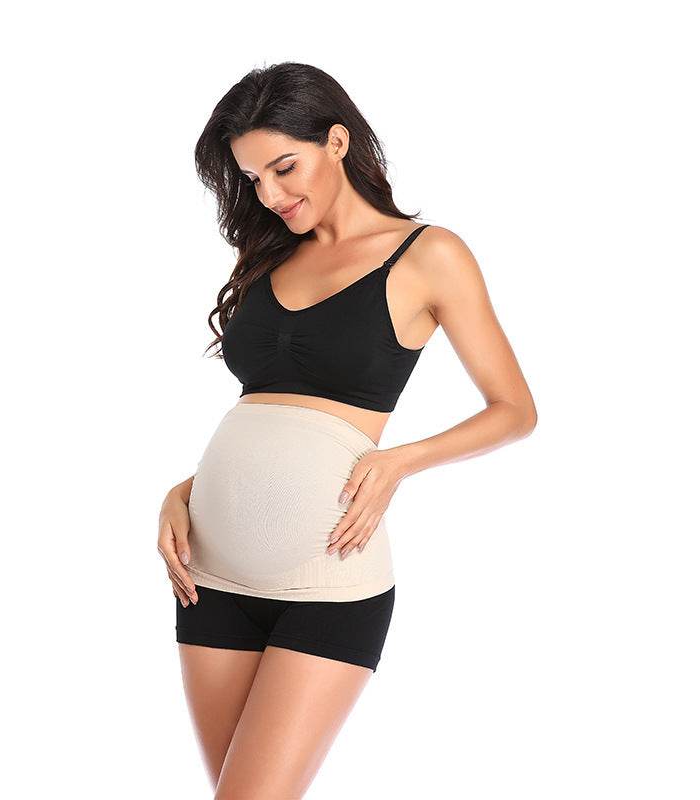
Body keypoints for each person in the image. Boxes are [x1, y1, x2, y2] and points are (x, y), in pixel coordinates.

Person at [157, 62, 537, 799]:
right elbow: (270, 414)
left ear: (336, 141)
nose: (271, 195)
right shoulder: (268, 254)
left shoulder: (428, 254)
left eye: (284, 168)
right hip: (208, 578)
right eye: (253, 179)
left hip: (328, 579)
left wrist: (400, 461)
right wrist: (185, 491)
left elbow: (515, 410)